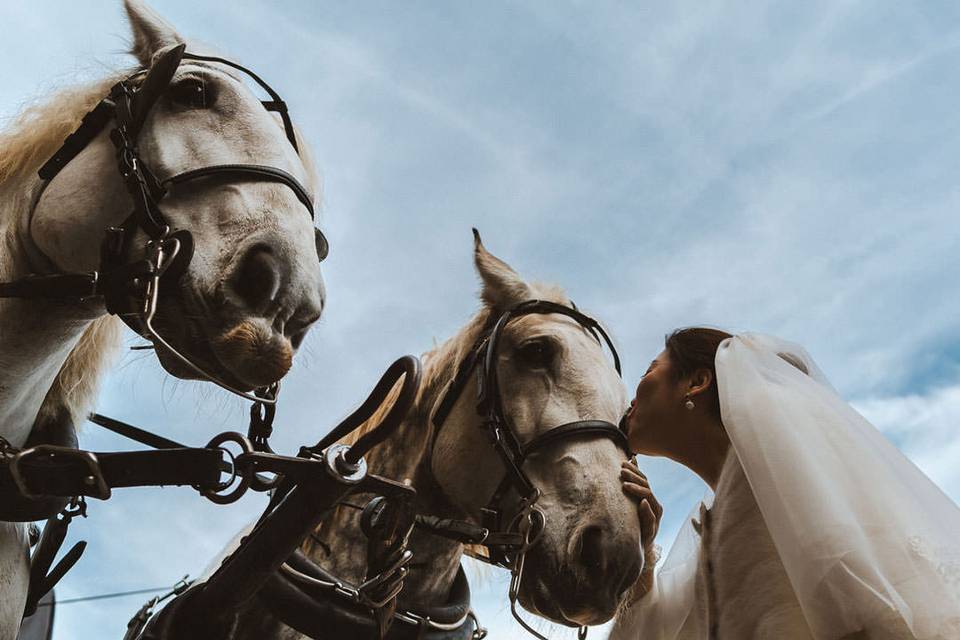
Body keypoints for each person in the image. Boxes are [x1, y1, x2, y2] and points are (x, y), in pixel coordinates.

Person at [611, 329, 960, 640]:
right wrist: (644, 554)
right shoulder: (710, 544)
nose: (632, 391)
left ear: (697, 382)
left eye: (649, 369)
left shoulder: (798, 493)